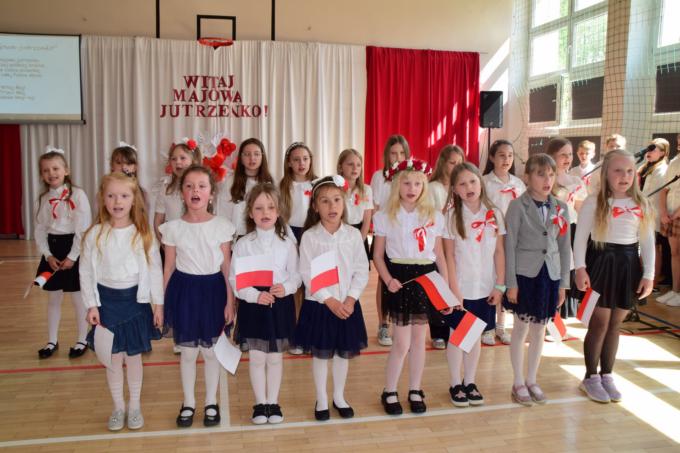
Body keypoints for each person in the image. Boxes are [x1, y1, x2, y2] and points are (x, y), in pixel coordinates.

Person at [80, 173, 163, 431]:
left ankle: (134, 406)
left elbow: (155, 270)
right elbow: (86, 272)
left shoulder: (143, 234)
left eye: (124, 196)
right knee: (113, 358)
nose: (117, 201)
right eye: (111, 196)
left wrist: (158, 305)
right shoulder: (95, 234)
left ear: (134, 200)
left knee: (133, 358)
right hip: (106, 304)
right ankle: (118, 407)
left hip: (135, 303)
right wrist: (91, 305)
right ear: (102, 199)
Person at [575, 149, 655, 402]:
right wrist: (580, 268)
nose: (625, 176)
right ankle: (590, 377)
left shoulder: (641, 203)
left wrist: (649, 274)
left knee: (615, 324)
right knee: (599, 323)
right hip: (601, 262)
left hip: (628, 266)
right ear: (606, 174)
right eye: (618, 170)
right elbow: (580, 239)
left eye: (629, 171)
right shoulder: (593, 202)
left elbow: (648, 241)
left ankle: (607, 374)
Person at [160, 165, 236, 428]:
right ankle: (189, 402)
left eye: (202, 186)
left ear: (211, 193)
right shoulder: (172, 228)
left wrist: (230, 301)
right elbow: (168, 267)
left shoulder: (222, 226)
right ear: (182, 192)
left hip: (214, 291)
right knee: (189, 352)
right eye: (189, 186)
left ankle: (211, 401)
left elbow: (227, 267)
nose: (195, 190)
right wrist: (162, 303)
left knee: (211, 352)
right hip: (185, 292)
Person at [373, 159, 450, 415]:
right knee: (401, 342)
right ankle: (389, 390)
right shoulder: (384, 216)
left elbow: (439, 256)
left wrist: (445, 289)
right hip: (399, 278)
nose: (412, 188)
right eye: (406, 183)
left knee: (419, 340)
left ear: (424, 186)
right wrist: (388, 279)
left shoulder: (434, 216)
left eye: (417, 183)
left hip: (426, 278)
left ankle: (415, 388)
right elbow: (378, 255)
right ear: (397, 185)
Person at [295, 175, 369, 421]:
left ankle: (338, 396)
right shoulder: (310, 237)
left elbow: (362, 270)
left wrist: (350, 299)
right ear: (315, 207)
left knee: (341, 353)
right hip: (321, 305)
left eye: (337, 200)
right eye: (325, 201)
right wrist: (330, 300)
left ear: (344, 203)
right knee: (321, 354)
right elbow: (307, 273)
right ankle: (322, 398)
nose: (332, 206)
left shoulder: (353, 235)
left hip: (347, 305)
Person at [230, 184, 301, 424]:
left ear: (278, 211)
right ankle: (260, 403)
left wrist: (286, 288)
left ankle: (273, 402)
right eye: (259, 208)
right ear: (250, 213)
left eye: (271, 207)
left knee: (275, 358)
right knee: (257, 357)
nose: (265, 212)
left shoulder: (287, 244)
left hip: (279, 304)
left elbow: (296, 276)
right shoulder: (243, 244)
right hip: (254, 305)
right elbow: (235, 280)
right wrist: (254, 295)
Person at [505, 153, 570, 406]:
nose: (547, 180)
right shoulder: (517, 206)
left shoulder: (561, 207)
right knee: (521, 327)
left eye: (551, 175)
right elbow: (509, 245)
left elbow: (564, 247)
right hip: (525, 275)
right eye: (540, 174)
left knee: (540, 329)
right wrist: (511, 282)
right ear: (527, 177)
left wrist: (563, 282)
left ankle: (532, 379)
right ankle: (518, 381)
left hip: (549, 274)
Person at [442, 163, 505, 407]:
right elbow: (448, 255)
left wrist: (499, 285)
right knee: (457, 335)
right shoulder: (451, 216)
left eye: (472, 181)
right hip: (460, 287)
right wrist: (453, 289)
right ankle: (454, 382)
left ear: (481, 183)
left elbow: (499, 252)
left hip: (485, 287)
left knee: (476, 335)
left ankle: (470, 381)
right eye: (462, 184)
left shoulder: (494, 214)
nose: (468, 187)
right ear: (455, 190)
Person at [34, 147, 92, 359]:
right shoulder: (43, 198)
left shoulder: (78, 195)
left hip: (74, 249)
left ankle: (82, 339)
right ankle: (52, 340)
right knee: (53, 299)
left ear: (66, 170)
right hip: (52, 251)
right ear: (42, 175)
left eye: (56, 168)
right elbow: (40, 229)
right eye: (46, 170)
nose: (51, 173)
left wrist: (72, 257)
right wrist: (47, 255)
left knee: (78, 299)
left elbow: (82, 229)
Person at [482, 139, 526, 345]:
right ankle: (488, 327)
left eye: (510, 155)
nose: (506, 159)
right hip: (491, 237)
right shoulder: (484, 182)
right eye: (501, 155)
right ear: (492, 157)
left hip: (513, 238)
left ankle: (501, 326)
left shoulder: (518, 184)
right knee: (493, 278)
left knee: (506, 279)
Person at [370, 135, 411, 347]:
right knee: (384, 280)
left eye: (402, 153)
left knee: (404, 279)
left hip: (405, 238)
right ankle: (383, 323)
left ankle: (400, 324)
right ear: (387, 155)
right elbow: (376, 208)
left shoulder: (411, 176)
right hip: (385, 235)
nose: (398, 157)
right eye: (394, 153)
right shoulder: (379, 177)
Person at [427, 144, 465, 349]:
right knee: (440, 284)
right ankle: (438, 332)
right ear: (443, 163)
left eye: (460, 163)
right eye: (452, 163)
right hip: (438, 242)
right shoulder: (433, 188)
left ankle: (454, 326)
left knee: (455, 283)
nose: (456, 166)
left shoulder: (462, 186)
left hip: (456, 242)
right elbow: (432, 217)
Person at [546, 137, 587, 320]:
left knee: (566, 268)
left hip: (571, 230)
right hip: (552, 230)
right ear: (551, 156)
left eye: (570, 154)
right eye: (563, 154)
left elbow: (580, 210)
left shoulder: (576, 181)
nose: (567, 158)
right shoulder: (545, 178)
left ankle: (560, 317)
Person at [216, 138, 274, 238]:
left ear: (262, 157)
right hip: (238, 236)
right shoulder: (231, 181)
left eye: (256, 154)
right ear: (241, 158)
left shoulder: (270, 181)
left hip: (263, 235)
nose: (252, 158)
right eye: (247, 154)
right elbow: (223, 212)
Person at [638, 139, 669, 297]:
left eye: (654, 149)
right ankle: (643, 278)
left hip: (652, 214)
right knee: (643, 248)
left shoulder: (662, 170)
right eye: (649, 148)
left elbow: (654, 194)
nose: (649, 152)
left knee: (653, 248)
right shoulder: (645, 167)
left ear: (663, 153)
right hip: (642, 212)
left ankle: (653, 283)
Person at [337, 148, 373, 259]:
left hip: (359, 233)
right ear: (340, 167)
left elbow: (367, 220)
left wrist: (359, 241)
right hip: (339, 232)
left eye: (358, 165)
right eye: (350, 164)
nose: (355, 168)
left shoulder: (366, 190)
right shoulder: (335, 188)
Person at [279, 142, 317, 243]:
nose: (301, 163)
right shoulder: (282, 186)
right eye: (296, 159)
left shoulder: (317, 184)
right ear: (289, 163)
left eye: (305, 159)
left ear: (310, 161)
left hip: (314, 230)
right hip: (290, 231)